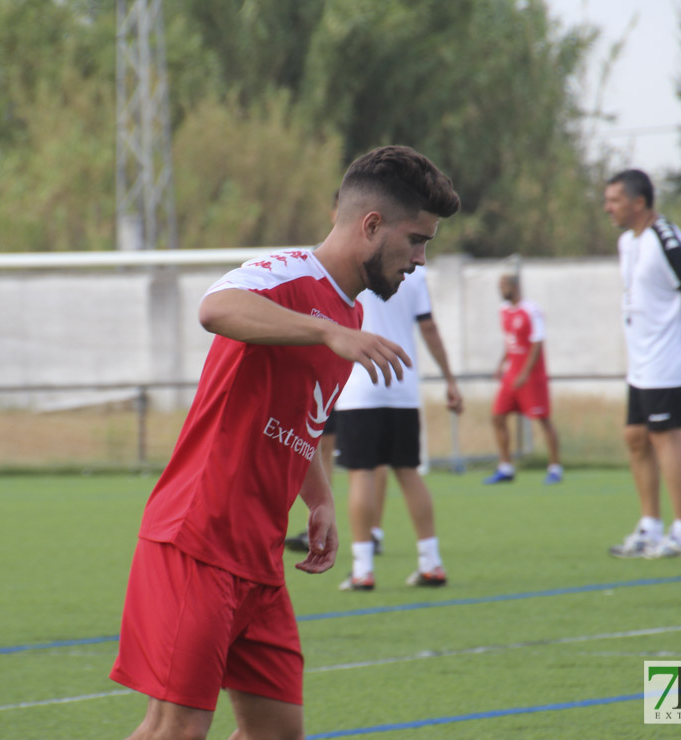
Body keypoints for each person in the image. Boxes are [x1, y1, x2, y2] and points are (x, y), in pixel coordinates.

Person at [110, 145, 460, 740]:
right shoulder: (291, 275)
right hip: (199, 539)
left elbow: (299, 419)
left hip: (259, 557)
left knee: (276, 732)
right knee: (176, 729)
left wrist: (318, 497)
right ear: (371, 225)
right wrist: (324, 331)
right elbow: (214, 307)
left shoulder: (348, 317)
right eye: (417, 240)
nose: (421, 259)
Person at [602, 168, 681, 559]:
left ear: (639, 202)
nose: (608, 208)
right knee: (636, 438)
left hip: (669, 359)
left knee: (665, 438)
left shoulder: (665, 238)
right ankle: (650, 528)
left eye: (615, 200)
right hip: (642, 360)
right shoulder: (627, 243)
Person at [334, 265, 464, 591]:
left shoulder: (345, 264)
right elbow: (429, 327)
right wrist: (450, 379)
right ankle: (431, 562)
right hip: (403, 387)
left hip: (358, 387)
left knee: (361, 473)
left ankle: (363, 570)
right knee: (408, 471)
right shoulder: (414, 270)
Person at [483, 273, 563, 485]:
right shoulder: (504, 312)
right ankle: (506, 467)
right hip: (511, 376)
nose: (501, 290)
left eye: (504, 286)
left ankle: (555, 468)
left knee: (543, 420)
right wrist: (502, 364)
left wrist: (525, 374)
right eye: (499, 286)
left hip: (531, 378)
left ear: (515, 287)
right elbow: (510, 343)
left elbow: (537, 343)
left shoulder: (532, 311)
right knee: (497, 417)